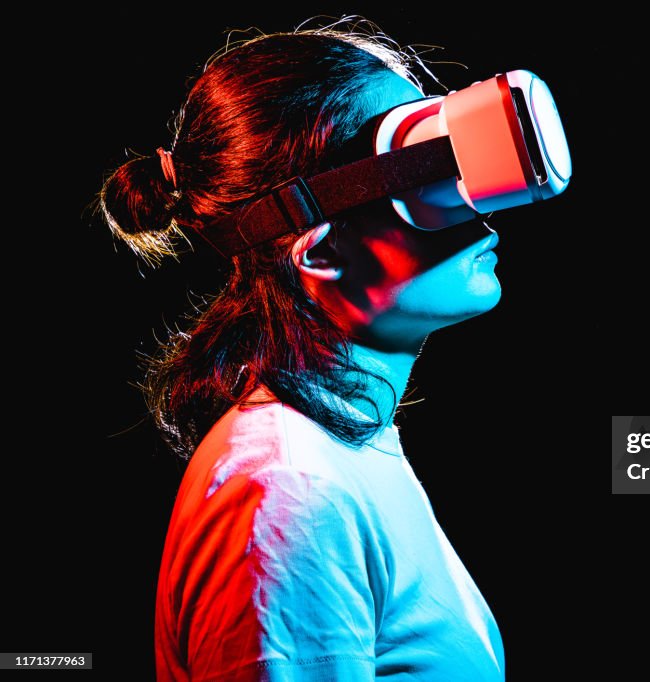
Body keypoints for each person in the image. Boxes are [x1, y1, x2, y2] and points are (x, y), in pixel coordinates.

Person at [99, 24, 505, 681]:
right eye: (427, 171)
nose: (478, 203)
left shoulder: (342, 454)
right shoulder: (288, 492)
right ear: (319, 252)